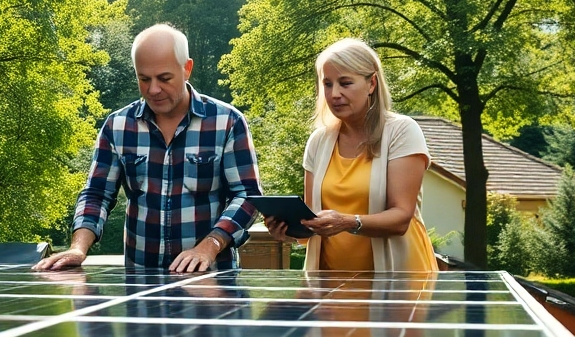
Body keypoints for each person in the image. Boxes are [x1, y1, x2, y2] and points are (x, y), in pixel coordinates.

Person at [34, 24, 262, 272]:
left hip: (211, 281)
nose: (153, 89)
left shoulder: (227, 122)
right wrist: (78, 248)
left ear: (187, 69)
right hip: (140, 279)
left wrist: (209, 246)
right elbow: (97, 194)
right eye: (144, 79)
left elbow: (248, 196)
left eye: (164, 78)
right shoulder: (118, 126)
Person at [266, 38, 436, 272]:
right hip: (331, 287)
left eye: (345, 83)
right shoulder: (318, 141)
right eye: (327, 84)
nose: (334, 93)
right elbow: (313, 222)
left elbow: (400, 219)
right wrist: (289, 230)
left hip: (399, 283)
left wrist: (348, 222)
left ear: (372, 84)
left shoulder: (402, 131)